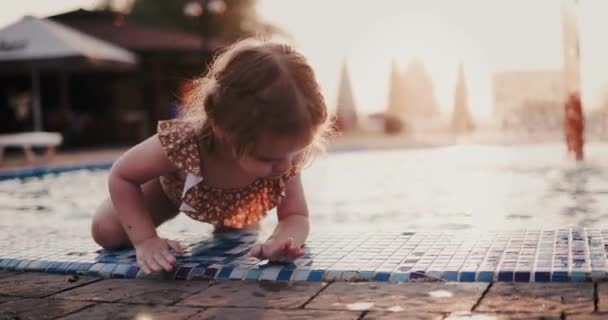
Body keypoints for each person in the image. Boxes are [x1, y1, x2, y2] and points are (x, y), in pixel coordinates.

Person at [91, 38, 332, 274]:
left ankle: (232, 227)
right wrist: (146, 241)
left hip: (239, 208)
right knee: (107, 231)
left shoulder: (281, 153)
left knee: (239, 243)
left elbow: (295, 215)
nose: (286, 166)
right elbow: (122, 175)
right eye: (267, 158)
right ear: (221, 129)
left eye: (295, 152)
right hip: (172, 193)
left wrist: (283, 242)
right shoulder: (185, 143)